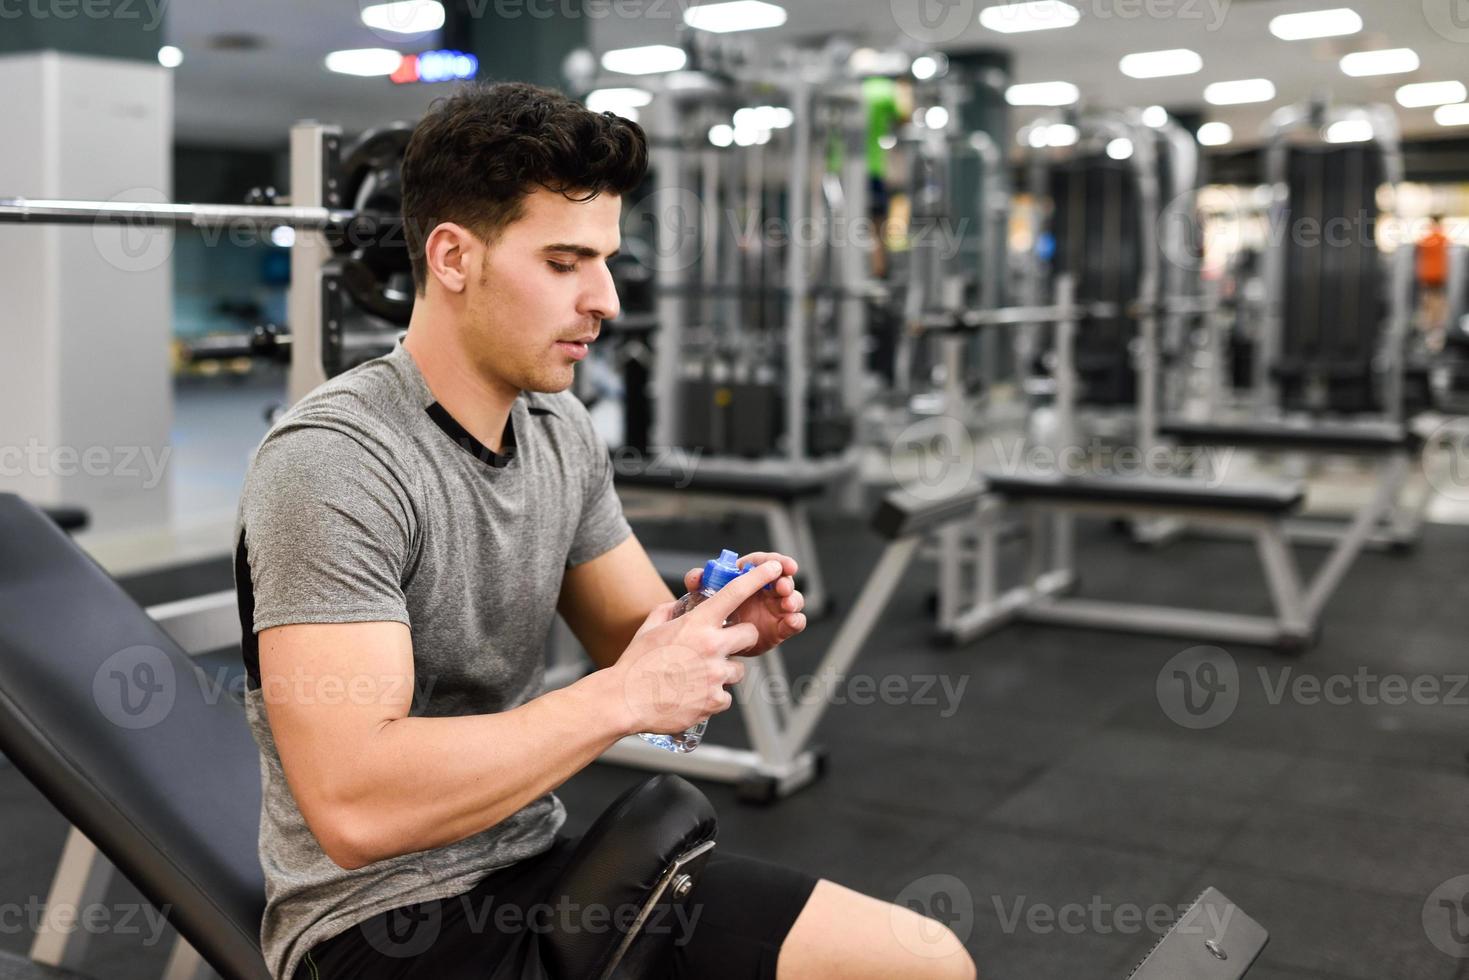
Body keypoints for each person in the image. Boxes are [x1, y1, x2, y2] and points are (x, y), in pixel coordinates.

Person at [233, 82, 976, 980]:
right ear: (453, 257)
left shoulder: (557, 426)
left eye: (606, 260)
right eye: (564, 262)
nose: (607, 299)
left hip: (534, 857)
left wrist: (717, 622)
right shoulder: (336, 462)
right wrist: (626, 698)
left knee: (920, 958)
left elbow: (634, 636)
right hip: (380, 926)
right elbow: (355, 809)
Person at [1417, 213, 1450, 352]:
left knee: (1429, 302)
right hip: (1439, 275)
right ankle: (1435, 330)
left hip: (1428, 275)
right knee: (1437, 302)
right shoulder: (1443, 239)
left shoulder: (1426, 239)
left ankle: (1430, 329)